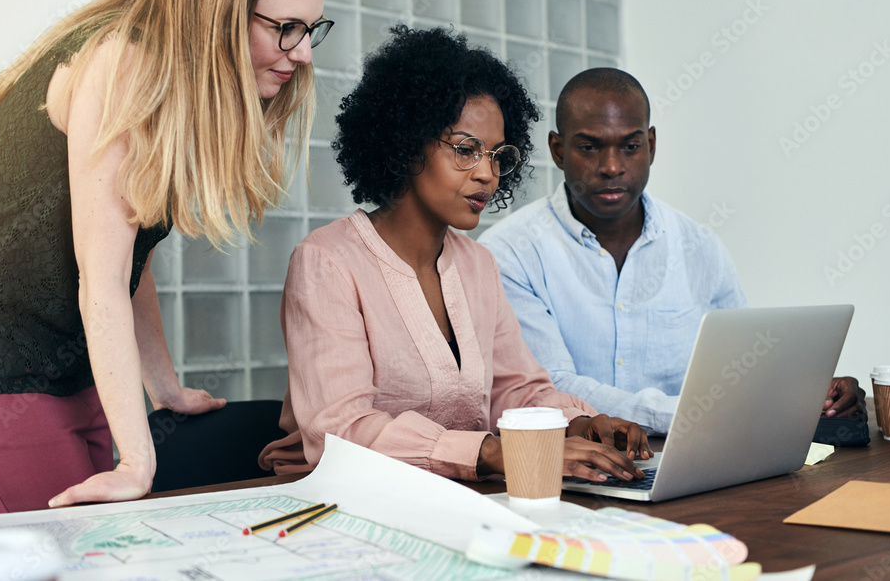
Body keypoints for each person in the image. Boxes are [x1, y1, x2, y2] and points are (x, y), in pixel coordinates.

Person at [0, 0, 332, 516]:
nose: (302, 53)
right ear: (218, 8)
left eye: (310, 29)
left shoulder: (170, 82)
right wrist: (137, 461)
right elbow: (102, 276)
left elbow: (126, 254)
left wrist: (163, 385)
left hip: (65, 368)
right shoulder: (124, 63)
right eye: (285, 28)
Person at [260, 27, 651, 484]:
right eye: (466, 150)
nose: (487, 174)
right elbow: (341, 432)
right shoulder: (327, 262)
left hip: (457, 498)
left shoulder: (477, 264)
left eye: (497, 155)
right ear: (406, 145)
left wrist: (579, 425)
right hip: (335, 503)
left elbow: (515, 389)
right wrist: (492, 452)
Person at [479, 68, 865, 434]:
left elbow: (742, 369)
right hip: (575, 467)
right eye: (589, 147)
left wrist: (811, 393)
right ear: (559, 150)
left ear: (650, 145)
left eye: (630, 146)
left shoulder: (699, 246)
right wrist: (683, 414)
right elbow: (549, 388)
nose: (611, 167)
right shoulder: (508, 254)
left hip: (695, 459)